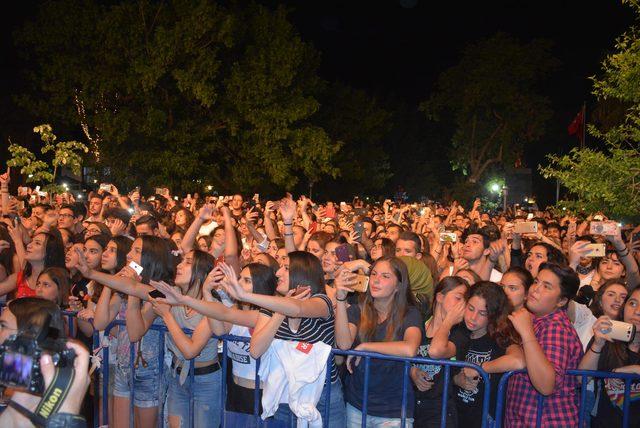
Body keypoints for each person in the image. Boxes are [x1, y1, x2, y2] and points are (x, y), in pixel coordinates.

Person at [222, 250, 346, 426]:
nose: (278, 272)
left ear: (302, 274)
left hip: (323, 394)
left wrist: (244, 296)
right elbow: (256, 350)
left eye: (286, 268)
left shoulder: (321, 301)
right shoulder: (272, 307)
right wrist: (279, 313)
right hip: (284, 392)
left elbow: (298, 309)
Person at [334, 256, 422, 427]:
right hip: (357, 404)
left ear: (398, 285)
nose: (376, 280)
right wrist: (340, 299)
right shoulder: (357, 310)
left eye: (385, 276)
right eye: (374, 274)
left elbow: (410, 348)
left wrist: (365, 347)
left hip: (394, 410)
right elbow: (344, 345)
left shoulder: (410, 314)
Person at [506, 262, 584, 427]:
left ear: (562, 301)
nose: (535, 289)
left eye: (547, 286)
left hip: (548, 420)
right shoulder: (536, 319)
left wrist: (526, 333)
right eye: (536, 281)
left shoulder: (555, 327)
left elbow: (547, 384)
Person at [451, 282, 524, 427]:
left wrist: (480, 368)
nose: (473, 317)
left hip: (485, 419)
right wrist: (456, 380)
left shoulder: (500, 338)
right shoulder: (456, 333)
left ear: (494, 315)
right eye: (470, 308)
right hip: (455, 417)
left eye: (482, 313)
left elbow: (518, 361)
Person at [410, 276, 468, 427]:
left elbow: (436, 350)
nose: (462, 305)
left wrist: (448, 321)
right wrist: (412, 371)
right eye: (458, 298)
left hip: (439, 412)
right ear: (440, 297)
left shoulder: (460, 333)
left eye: (465, 301)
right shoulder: (419, 324)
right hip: (411, 406)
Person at [578, 287, 640, 427]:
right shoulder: (606, 339)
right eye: (632, 303)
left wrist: (635, 369)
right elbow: (582, 378)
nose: (637, 311)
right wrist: (598, 345)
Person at [0, 230, 65, 299]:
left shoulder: (57, 280)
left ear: (50, 252)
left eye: (37, 243)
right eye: (31, 242)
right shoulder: (21, 277)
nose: (29, 245)